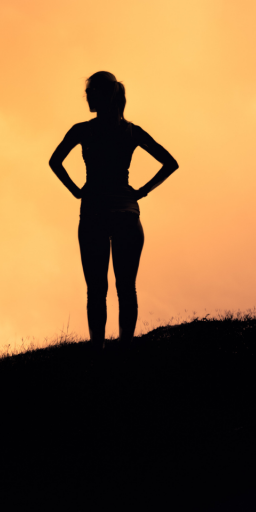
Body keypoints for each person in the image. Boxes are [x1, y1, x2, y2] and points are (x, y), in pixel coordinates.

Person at [49, 71, 179, 348]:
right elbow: (169, 163)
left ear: (103, 94)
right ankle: (125, 348)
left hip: (94, 212)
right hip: (126, 213)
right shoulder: (131, 131)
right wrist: (141, 192)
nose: (87, 96)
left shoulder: (82, 130)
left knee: (97, 290)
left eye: (90, 91)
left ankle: (98, 349)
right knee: (126, 288)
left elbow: (54, 161)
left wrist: (76, 190)